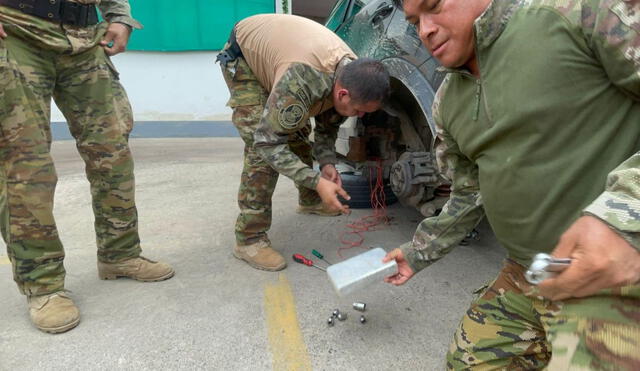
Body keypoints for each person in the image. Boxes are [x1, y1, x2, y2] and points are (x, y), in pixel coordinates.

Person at [383, 0, 640, 369]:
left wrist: (624, 216)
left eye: (434, 5)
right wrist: (417, 252)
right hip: (529, 272)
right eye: (414, 20)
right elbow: (470, 194)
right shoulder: (447, 102)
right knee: (469, 361)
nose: (425, 29)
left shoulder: (573, 15)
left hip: (613, 272)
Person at [0, 0, 174, 334]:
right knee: (25, 164)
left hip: (82, 36)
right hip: (16, 29)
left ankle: (119, 254)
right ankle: (44, 285)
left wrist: (119, 16)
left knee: (112, 151)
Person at [218, 14, 390, 271]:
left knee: (298, 135)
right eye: (359, 110)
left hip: (290, 61)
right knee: (261, 151)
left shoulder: (351, 74)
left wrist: (327, 163)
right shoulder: (303, 79)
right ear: (342, 93)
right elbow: (268, 143)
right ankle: (249, 239)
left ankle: (309, 200)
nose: (361, 116)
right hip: (245, 59)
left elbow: (327, 124)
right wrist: (316, 180)